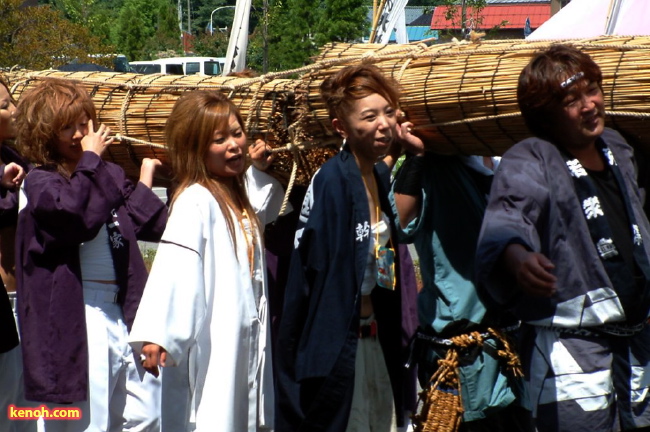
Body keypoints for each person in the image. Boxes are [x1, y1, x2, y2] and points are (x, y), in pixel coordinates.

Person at [475, 44, 650, 431]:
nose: (589, 105)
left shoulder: (619, 148)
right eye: (572, 100)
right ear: (546, 116)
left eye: (592, 91)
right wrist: (517, 257)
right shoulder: (530, 157)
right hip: (572, 351)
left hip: (638, 344)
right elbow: (509, 212)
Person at [14, 78, 168, 431]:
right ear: (45, 133)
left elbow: (145, 219)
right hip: (78, 311)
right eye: (67, 126)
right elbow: (73, 218)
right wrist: (89, 161)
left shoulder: (107, 172)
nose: (80, 134)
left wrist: (154, 176)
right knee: (88, 422)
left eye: (84, 124)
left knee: (147, 415)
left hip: (124, 307)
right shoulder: (40, 182)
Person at [275, 63, 419, 432]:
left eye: (389, 112)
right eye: (369, 117)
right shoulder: (332, 182)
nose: (383, 124)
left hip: (376, 340)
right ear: (341, 127)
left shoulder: (378, 173)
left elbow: (385, 257)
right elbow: (314, 277)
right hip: (341, 348)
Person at [128, 90, 275, 432]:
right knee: (214, 413)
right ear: (195, 148)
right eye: (219, 139)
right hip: (216, 341)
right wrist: (157, 333)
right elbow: (176, 268)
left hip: (244, 340)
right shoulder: (196, 200)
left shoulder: (235, 198)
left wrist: (259, 169)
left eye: (237, 133)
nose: (234, 145)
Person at [391, 148, 533, 431]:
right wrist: (416, 156)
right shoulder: (437, 169)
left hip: (511, 351)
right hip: (462, 355)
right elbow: (401, 225)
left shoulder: (507, 167)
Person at [0, 75, 37, 432]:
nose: (15, 110)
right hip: (1, 309)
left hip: (23, 299)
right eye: (5, 105)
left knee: (22, 406)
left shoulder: (17, 158)